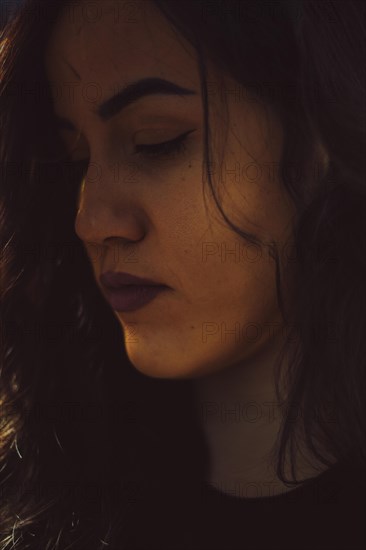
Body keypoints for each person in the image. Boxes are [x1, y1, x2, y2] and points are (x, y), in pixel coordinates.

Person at [0, 0, 365, 548]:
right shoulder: (34, 486)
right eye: (76, 159)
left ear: (323, 142)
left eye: (156, 142)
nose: (91, 221)